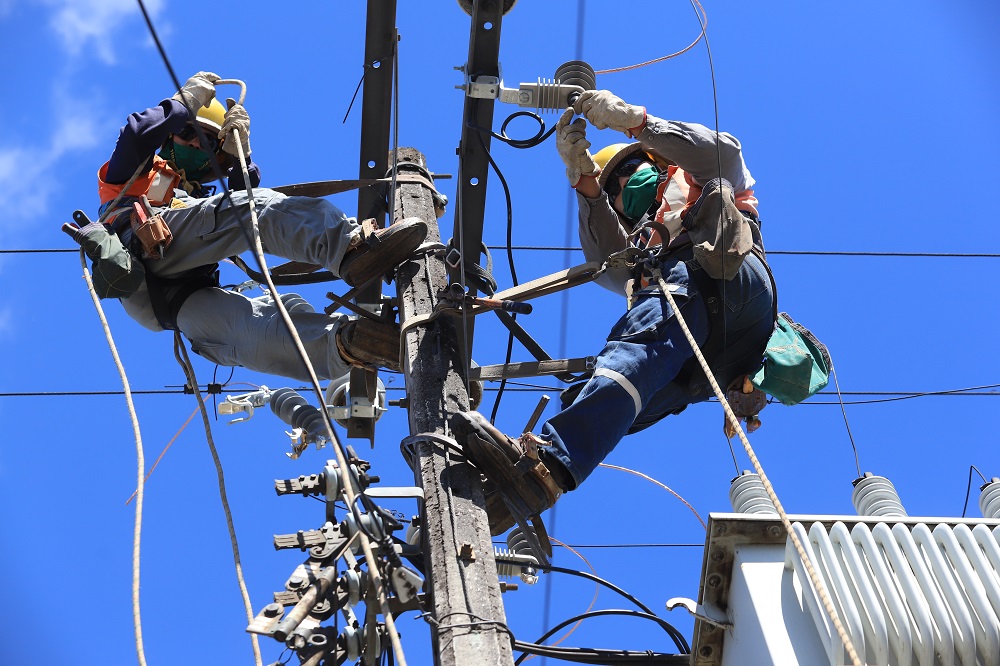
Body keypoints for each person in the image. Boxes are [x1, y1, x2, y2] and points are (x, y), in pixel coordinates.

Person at [451, 90, 777, 534]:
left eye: (628, 172)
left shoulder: (696, 176)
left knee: (637, 341)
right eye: (615, 191)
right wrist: (585, 182)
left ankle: (550, 462)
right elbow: (607, 261)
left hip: (729, 279)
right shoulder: (643, 247)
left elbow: (724, 151)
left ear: (655, 162)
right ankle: (531, 479)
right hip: (713, 366)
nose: (624, 188)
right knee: (601, 390)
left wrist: (636, 123)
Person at [63, 72, 426, 381]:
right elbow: (137, 135)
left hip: (170, 302)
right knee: (256, 209)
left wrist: (241, 161)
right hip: (143, 258)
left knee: (260, 326)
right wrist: (183, 102)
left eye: (205, 140)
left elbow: (238, 199)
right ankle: (350, 249)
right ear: (170, 135)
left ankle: (348, 345)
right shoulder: (135, 173)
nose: (193, 143)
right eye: (187, 132)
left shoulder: (196, 195)